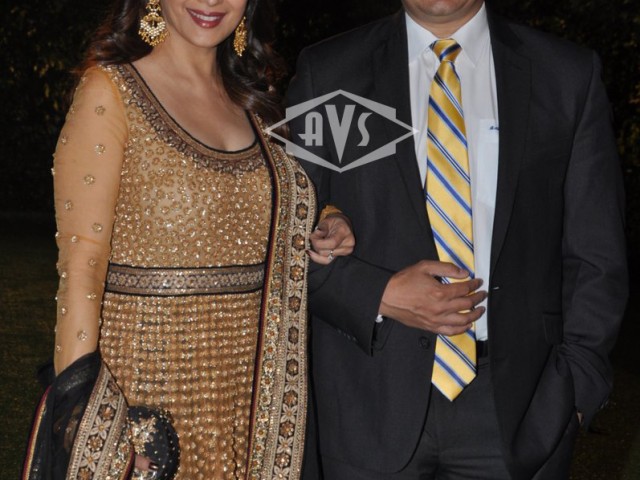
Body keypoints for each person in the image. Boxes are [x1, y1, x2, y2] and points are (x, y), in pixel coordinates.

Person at [287, 0, 628, 478]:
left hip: (519, 413)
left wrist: (577, 390)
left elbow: (597, 253)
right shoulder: (331, 72)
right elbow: (280, 236)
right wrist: (378, 293)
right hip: (364, 403)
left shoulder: (564, 74)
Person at [22, 0, 355, 479]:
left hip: (249, 407)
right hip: (147, 398)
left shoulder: (254, 100)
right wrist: (83, 422)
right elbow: (80, 267)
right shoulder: (111, 90)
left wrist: (327, 219)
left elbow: (262, 207)